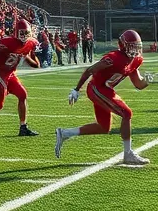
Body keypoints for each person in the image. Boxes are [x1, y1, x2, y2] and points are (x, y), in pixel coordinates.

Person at [56, 29, 151, 165]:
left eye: (137, 47)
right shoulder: (112, 58)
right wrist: (76, 89)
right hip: (96, 88)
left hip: (106, 89)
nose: (135, 51)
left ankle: (65, 133)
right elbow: (90, 71)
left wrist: (147, 81)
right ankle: (128, 153)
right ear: (123, 45)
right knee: (126, 113)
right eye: (132, 47)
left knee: (104, 127)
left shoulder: (136, 60)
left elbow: (138, 84)